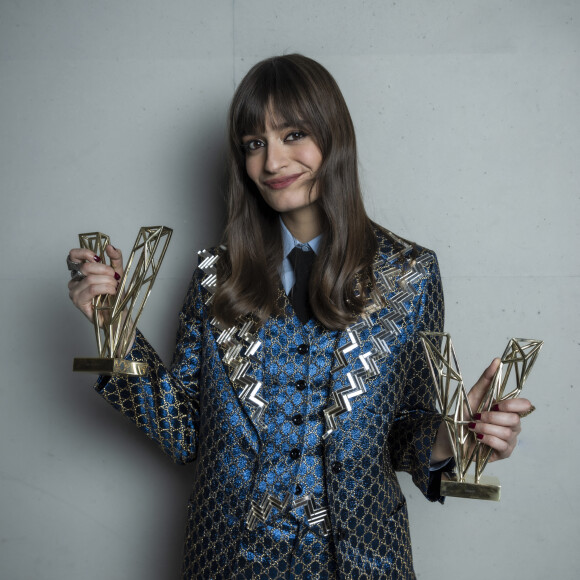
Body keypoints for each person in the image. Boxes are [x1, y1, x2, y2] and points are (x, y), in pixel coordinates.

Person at [67, 54, 533, 579]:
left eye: (293, 134)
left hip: (363, 562)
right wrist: (114, 329)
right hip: (228, 562)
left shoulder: (411, 275)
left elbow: (406, 428)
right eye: (254, 144)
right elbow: (185, 432)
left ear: (333, 137)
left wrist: (458, 436)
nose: (272, 162)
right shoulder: (215, 277)